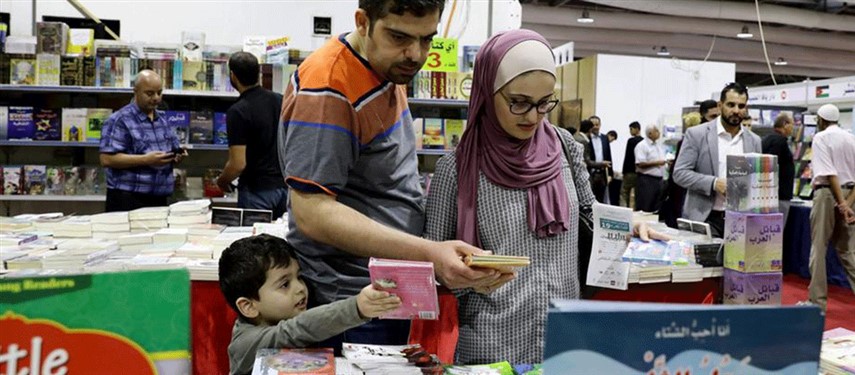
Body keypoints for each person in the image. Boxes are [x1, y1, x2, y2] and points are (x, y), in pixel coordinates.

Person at [424, 29, 666, 365]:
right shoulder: (458, 168)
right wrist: (464, 277)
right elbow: (432, 261)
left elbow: (588, 211)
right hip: (491, 342)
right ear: (486, 92)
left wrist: (629, 224)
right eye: (518, 102)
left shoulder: (565, 147)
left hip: (564, 332)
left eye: (544, 103)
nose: (533, 116)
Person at [277, 0, 500, 347]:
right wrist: (430, 253)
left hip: (381, 290)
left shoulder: (385, 66)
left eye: (427, 39)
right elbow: (312, 213)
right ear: (363, 22)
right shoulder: (330, 89)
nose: (415, 54)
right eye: (399, 37)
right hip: (350, 303)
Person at [219, 234, 401, 375]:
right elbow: (296, 329)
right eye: (284, 284)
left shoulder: (284, 312)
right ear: (248, 306)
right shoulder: (245, 343)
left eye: (299, 277)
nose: (300, 288)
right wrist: (357, 308)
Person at [673, 83, 762, 238]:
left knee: (734, 263)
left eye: (741, 106)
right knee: (706, 262)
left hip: (741, 220)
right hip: (705, 218)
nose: (736, 110)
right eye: (731, 105)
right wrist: (714, 183)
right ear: (720, 105)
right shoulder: (697, 134)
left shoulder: (754, 140)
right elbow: (680, 173)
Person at [99, 70, 187, 212]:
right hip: (128, 199)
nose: (156, 98)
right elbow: (107, 159)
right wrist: (146, 160)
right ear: (136, 92)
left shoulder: (163, 120)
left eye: (159, 92)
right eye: (150, 93)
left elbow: (172, 148)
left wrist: (176, 156)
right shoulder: (119, 120)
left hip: (159, 198)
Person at [216, 52, 288, 219]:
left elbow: (238, 163)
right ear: (259, 73)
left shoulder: (238, 111)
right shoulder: (281, 100)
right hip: (284, 188)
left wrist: (222, 181)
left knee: (255, 242)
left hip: (256, 191)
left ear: (232, 76)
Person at [802, 104, 855, 312]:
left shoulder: (821, 138)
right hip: (849, 195)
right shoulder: (851, 138)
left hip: (827, 194)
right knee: (848, 251)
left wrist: (841, 203)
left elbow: (830, 173)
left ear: (821, 120)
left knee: (819, 247)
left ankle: (817, 303)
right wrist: (848, 203)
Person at [660, 99, 720, 227]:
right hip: (690, 202)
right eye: (712, 117)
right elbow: (679, 175)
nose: (716, 121)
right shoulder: (692, 138)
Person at [761, 113, 795, 227]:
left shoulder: (767, 139)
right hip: (779, 195)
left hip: (769, 194)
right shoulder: (780, 141)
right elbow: (771, 166)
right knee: (776, 230)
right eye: (792, 125)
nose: (793, 129)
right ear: (785, 124)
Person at [634, 124, 667, 213]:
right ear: (650, 133)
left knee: (655, 208)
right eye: (656, 131)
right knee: (645, 207)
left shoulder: (657, 146)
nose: (659, 133)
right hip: (647, 180)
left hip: (658, 181)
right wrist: (657, 163)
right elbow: (640, 163)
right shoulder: (642, 145)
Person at [584, 115, 613, 203]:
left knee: (601, 199)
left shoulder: (604, 138)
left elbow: (609, 155)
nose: (595, 127)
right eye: (593, 125)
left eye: (597, 124)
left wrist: (610, 173)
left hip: (602, 173)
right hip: (590, 173)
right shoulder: (586, 138)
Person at [621, 121, 643, 208]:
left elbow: (627, 157)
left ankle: (624, 211)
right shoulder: (643, 141)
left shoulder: (631, 141)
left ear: (637, 129)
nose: (630, 131)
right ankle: (636, 210)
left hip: (629, 171)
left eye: (631, 129)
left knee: (624, 192)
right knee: (637, 194)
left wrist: (624, 171)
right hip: (639, 172)